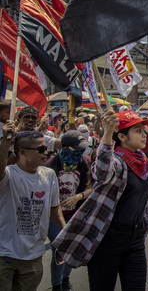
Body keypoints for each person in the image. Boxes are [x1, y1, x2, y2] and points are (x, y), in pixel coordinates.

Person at [53, 109, 148, 291]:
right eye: (138, 131)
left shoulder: (141, 160)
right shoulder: (116, 161)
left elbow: (144, 201)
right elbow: (102, 173)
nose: (144, 134)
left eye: (144, 130)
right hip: (107, 239)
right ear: (122, 136)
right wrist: (107, 133)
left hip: (135, 239)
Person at [0, 123, 65, 290]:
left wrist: (66, 231)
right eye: (41, 149)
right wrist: (6, 141)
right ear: (22, 152)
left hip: (33, 259)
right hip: (4, 256)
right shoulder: (8, 174)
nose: (47, 153)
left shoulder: (49, 175)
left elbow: (54, 209)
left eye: (46, 148)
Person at [45, 130, 93, 291]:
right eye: (76, 148)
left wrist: (78, 196)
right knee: (59, 249)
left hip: (76, 214)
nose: (81, 151)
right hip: (54, 216)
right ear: (65, 147)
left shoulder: (86, 162)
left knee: (71, 249)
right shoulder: (50, 165)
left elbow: (92, 188)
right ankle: (56, 285)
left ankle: (65, 279)